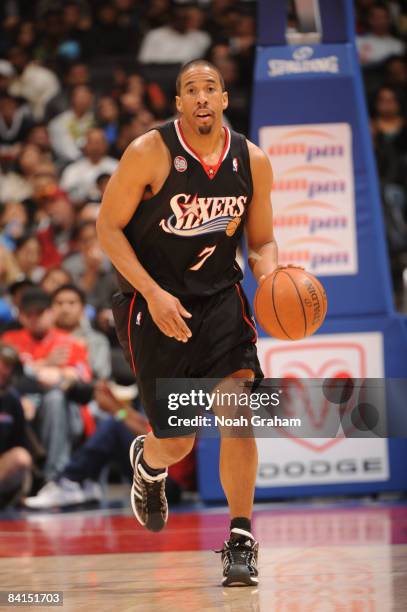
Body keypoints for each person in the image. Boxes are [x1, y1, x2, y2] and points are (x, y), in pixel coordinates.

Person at [97, 59, 278, 586]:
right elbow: (108, 229)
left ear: (224, 99)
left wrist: (270, 278)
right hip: (154, 304)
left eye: (210, 89)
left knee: (238, 410)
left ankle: (240, 540)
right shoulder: (149, 152)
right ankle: (150, 463)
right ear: (179, 103)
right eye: (191, 90)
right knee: (178, 442)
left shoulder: (253, 160)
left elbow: (261, 240)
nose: (202, 97)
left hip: (220, 299)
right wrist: (152, 294)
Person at [0, 342, 32, 508]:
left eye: (9, 366)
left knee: (21, 457)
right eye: (3, 363)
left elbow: (21, 443)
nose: (5, 370)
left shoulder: (12, 399)